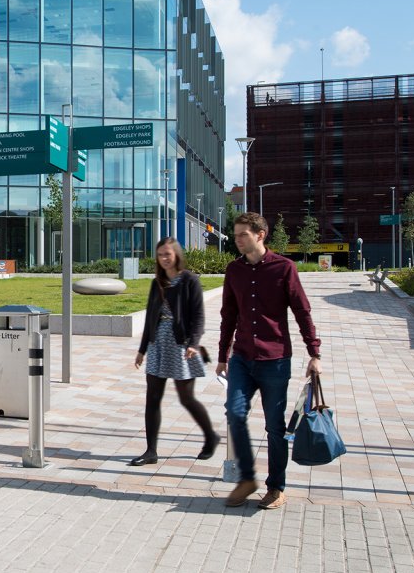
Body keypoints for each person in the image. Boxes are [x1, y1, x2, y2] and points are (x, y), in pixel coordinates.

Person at [216, 213, 322, 510]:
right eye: (235, 235)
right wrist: (224, 354)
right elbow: (228, 315)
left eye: (242, 235)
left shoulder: (284, 268)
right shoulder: (233, 270)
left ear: (260, 235)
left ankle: (276, 488)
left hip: (275, 359)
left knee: (274, 427)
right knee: (234, 414)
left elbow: (302, 312)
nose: (236, 240)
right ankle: (247, 479)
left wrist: (314, 353)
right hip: (242, 358)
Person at [130, 238, 220, 466]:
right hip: (157, 344)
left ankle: (211, 436)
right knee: (152, 398)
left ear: (177, 254)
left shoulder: (190, 280)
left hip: (181, 345)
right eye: (160, 255)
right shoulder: (156, 282)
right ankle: (151, 451)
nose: (164, 259)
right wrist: (142, 350)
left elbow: (199, 316)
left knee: (186, 398)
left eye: (168, 254)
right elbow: (151, 316)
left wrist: (194, 342)